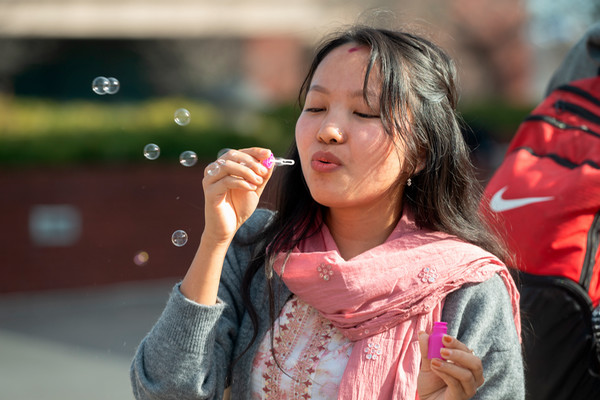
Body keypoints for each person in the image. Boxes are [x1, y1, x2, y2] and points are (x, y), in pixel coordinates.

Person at [130, 25, 523, 400]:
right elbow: (166, 390)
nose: (328, 130)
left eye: (365, 113)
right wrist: (216, 241)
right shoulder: (255, 248)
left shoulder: (469, 287)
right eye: (316, 106)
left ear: (420, 151)